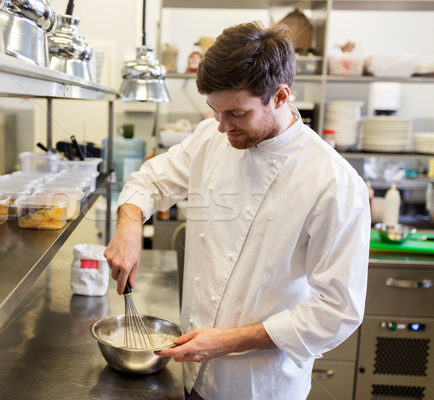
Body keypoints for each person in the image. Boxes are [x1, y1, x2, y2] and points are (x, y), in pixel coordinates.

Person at [103, 21, 370, 400]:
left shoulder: (334, 184)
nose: (222, 127)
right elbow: (152, 182)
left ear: (280, 96)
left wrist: (227, 342)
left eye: (238, 115)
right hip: (191, 372)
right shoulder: (211, 137)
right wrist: (128, 225)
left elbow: (338, 311)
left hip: (258, 385)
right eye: (214, 111)